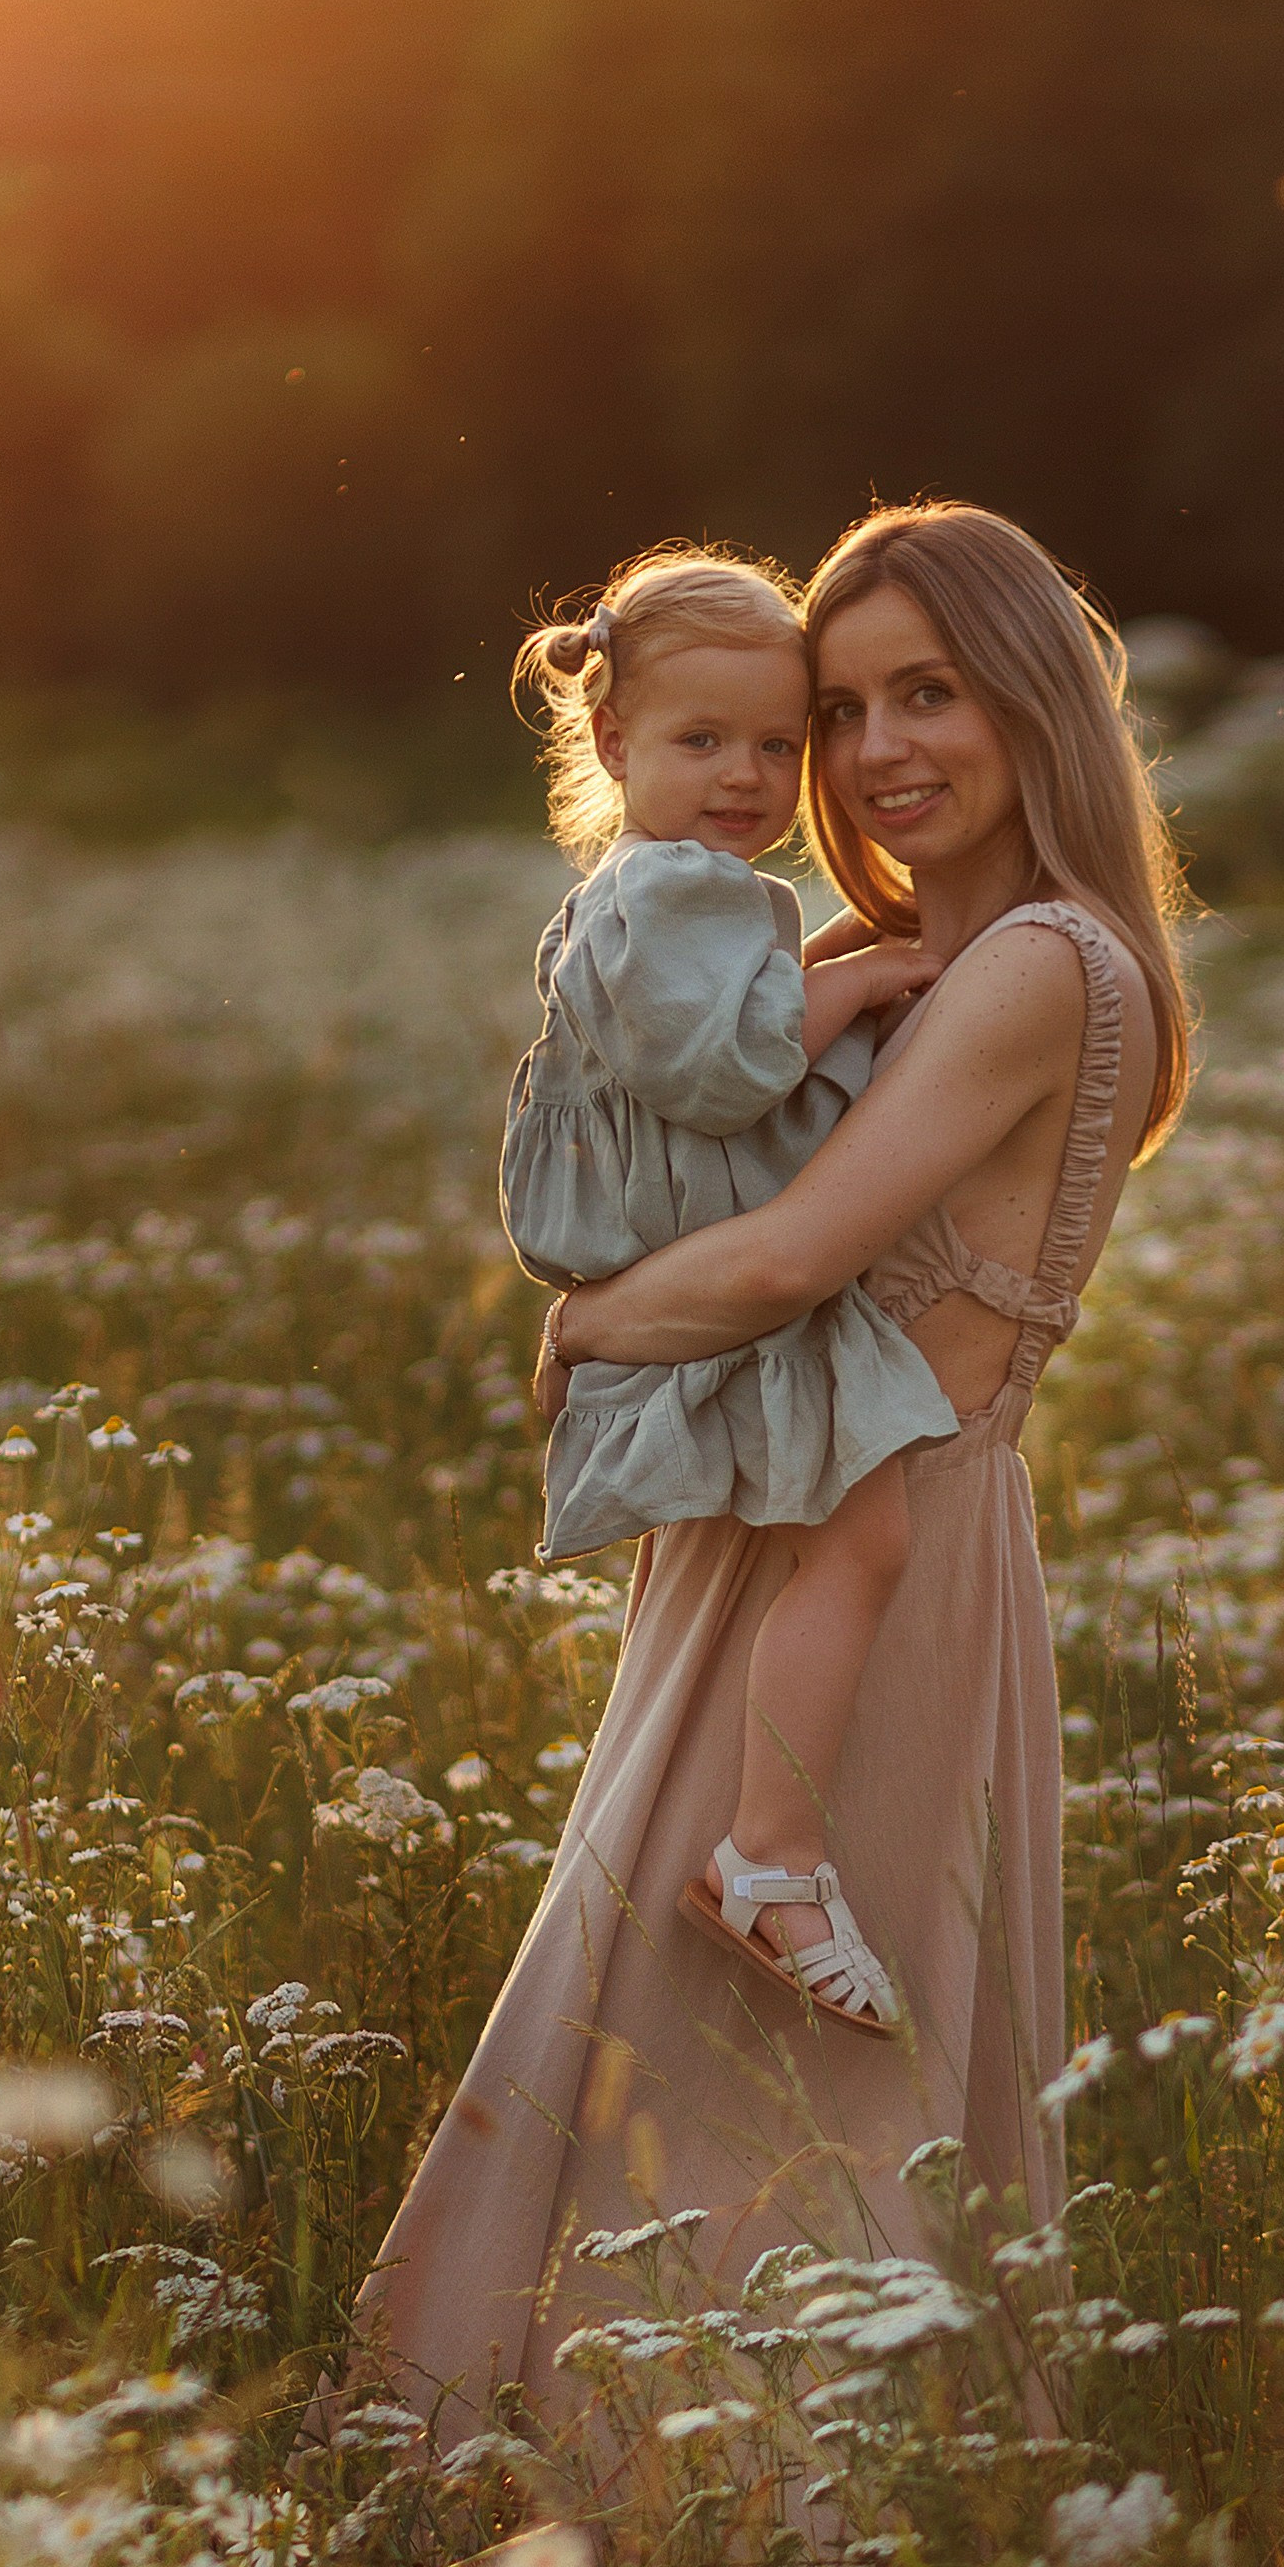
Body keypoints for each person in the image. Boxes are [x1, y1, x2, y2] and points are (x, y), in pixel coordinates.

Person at [357, 503, 1191, 2442]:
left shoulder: (1039, 965)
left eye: (932, 693)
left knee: (756, 2084)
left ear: (1032, 704)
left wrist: (586, 1323)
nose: (877, 749)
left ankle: (750, 2515)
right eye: (845, 708)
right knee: (662, 2040)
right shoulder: (913, 956)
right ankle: (579, 2478)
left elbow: (786, 1261)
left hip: (884, 1535)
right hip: (799, 1512)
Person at [501, 545, 958, 2032]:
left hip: (700, 1259)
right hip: (732, 1276)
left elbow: (722, 1024)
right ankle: (770, 1856)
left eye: (777, 742)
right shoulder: (679, 887)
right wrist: (863, 979)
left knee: (786, 1564)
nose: (748, 778)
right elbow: (725, 1071)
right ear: (613, 740)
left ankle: (726, 1836)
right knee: (866, 1544)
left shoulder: (666, 889)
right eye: (702, 741)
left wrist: (832, 953)